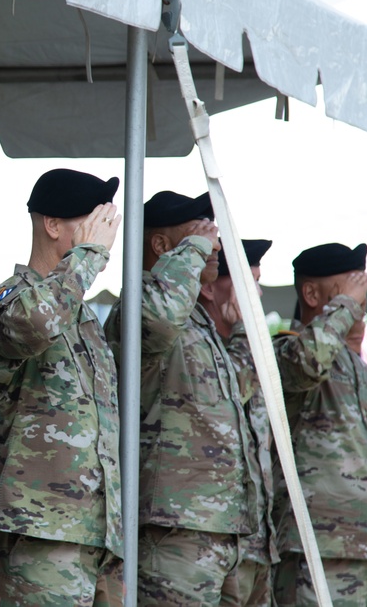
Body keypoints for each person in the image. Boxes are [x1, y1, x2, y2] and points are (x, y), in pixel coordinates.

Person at [0, 168, 124, 607]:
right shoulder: (5, 303)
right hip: (36, 531)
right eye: (91, 223)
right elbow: (38, 322)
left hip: (100, 532)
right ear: (53, 225)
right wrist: (90, 253)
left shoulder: (84, 317)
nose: (105, 235)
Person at [103, 191, 259, 606]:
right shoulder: (140, 303)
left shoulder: (196, 319)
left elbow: (237, 393)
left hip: (223, 527)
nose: (214, 243)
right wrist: (194, 248)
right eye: (200, 231)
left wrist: (242, 330)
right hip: (173, 527)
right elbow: (158, 317)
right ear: (161, 245)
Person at [272, 243, 367, 606]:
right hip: (317, 548)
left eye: (362, 295)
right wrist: (346, 307)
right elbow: (308, 362)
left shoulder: (361, 371)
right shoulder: (286, 352)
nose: (360, 306)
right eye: (350, 292)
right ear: (311, 293)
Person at [198, 238, 278, 606]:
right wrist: (245, 330)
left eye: (257, 284)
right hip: (208, 547)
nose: (256, 296)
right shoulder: (198, 349)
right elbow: (232, 388)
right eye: (247, 284)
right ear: (209, 286)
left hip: (255, 548)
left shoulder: (250, 351)